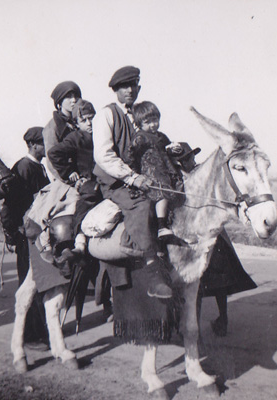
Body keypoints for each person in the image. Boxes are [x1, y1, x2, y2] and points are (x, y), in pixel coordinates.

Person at [93, 65, 172, 299]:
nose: (129, 90)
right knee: (142, 206)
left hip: (142, 177)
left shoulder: (140, 114)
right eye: (123, 86)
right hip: (116, 182)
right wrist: (132, 177)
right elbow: (104, 155)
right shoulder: (106, 115)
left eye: (133, 85)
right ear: (115, 90)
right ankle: (152, 272)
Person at [0, 127, 50, 348]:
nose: (47, 146)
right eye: (44, 142)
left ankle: (42, 330)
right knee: (28, 282)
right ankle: (30, 335)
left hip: (38, 233)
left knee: (40, 281)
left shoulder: (39, 167)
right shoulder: (23, 167)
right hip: (26, 234)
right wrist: (14, 231)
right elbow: (11, 203)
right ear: (33, 145)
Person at [48, 98, 96, 255]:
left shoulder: (101, 134)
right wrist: (69, 172)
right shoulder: (76, 137)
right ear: (77, 123)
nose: (89, 123)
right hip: (88, 181)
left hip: (105, 178)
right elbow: (53, 153)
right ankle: (79, 241)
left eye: (91, 118)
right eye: (84, 120)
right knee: (86, 201)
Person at [128, 101, 183, 238]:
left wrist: (174, 149)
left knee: (178, 188)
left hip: (165, 169)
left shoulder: (162, 136)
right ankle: (161, 226)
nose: (153, 125)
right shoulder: (140, 138)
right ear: (140, 124)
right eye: (148, 122)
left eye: (155, 120)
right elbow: (131, 155)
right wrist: (133, 176)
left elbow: (167, 148)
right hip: (151, 172)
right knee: (162, 192)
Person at [43, 81, 82, 180]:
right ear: (59, 101)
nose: (73, 100)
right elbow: (51, 161)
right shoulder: (52, 126)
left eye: (76, 96)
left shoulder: (81, 122)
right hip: (69, 180)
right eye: (68, 97)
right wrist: (68, 177)